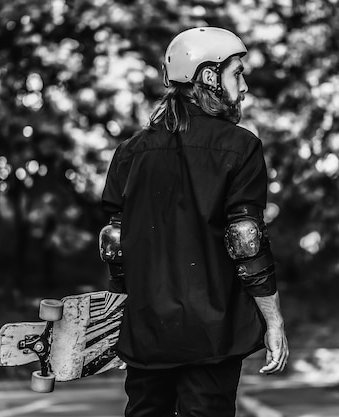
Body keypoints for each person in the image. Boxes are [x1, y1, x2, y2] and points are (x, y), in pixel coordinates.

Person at [99, 27, 288, 417]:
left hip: (147, 332)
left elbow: (116, 246)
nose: (245, 85)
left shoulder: (130, 152)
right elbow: (246, 240)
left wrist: (121, 322)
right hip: (212, 335)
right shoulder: (240, 147)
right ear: (208, 77)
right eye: (237, 73)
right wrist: (273, 320)